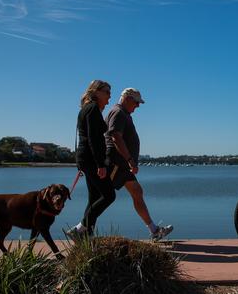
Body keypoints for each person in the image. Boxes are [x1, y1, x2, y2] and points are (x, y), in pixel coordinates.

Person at [105, 88, 173, 241]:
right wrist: (130, 159)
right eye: (136, 102)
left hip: (123, 164)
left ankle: (154, 230)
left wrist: (130, 161)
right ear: (127, 99)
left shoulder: (124, 114)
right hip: (116, 163)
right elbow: (116, 137)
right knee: (103, 197)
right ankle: (81, 227)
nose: (138, 106)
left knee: (137, 192)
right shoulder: (118, 112)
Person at [67, 80, 116, 238]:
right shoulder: (93, 108)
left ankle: (86, 234)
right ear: (97, 92)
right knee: (109, 195)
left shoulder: (86, 109)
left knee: (94, 197)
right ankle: (80, 228)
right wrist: (100, 164)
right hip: (91, 160)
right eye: (107, 92)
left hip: (85, 158)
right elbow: (93, 139)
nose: (110, 96)